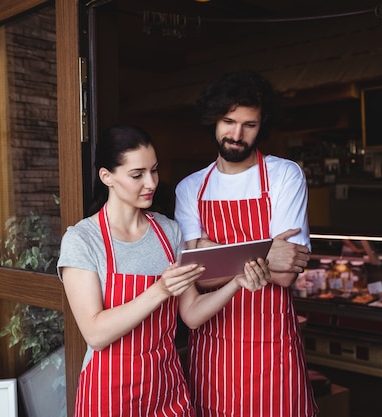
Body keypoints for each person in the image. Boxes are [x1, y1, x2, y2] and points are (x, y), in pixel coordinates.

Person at [58, 124, 269, 417]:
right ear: (107, 177)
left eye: (154, 170)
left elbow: (191, 313)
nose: (151, 183)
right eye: (137, 175)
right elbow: (95, 333)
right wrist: (160, 290)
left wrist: (236, 282)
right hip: (110, 394)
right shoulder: (83, 240)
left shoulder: (168, 231)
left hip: (166, 389)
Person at [174, 70, 319, 416]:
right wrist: (268, 251)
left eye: (249, 124)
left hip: (272, 347)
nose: (236, 134)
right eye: (228, 121)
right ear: (213, 120)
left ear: (262, 126)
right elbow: (192, 275)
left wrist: (213, 252)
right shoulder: (190, 188)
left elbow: (286, 274)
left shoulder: (285, 175)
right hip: (214, 348)